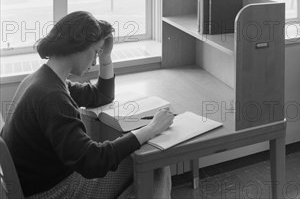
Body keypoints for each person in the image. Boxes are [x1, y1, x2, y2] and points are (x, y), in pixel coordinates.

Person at [1, 11, 174, 198]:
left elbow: (102, 95)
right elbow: (92, 162)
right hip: (52, 192)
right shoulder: (52, 97)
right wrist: (152, 128)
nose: (94, 61)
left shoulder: (42, 79)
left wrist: (106, 56)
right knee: (154, 164)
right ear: (78, 47)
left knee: (140, 164)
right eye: (95, 52)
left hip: (39, 183)